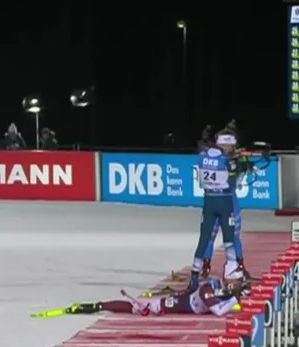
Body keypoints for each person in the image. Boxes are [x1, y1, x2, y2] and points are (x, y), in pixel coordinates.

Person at [36, 266, 247, 318]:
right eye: (236, 281)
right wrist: (235, 300)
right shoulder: (208, 290)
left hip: (170, 302)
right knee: (130, 307)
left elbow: (224, 298)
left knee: (135, 305)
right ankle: (94, 306)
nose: (236, 284)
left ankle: (98, 305)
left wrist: (238, 298)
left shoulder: (215, 288)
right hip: (158, 307)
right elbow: (219, 311)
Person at [190, 131, 244, 289]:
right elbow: (233, 184)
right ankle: (232, 270)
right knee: (230, 237)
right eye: (231, 146)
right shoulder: (226, 160)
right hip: (225, 202)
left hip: (209, 201)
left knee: (205, 238)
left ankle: (195, 274)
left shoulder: (202, 157)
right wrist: (241, 169)